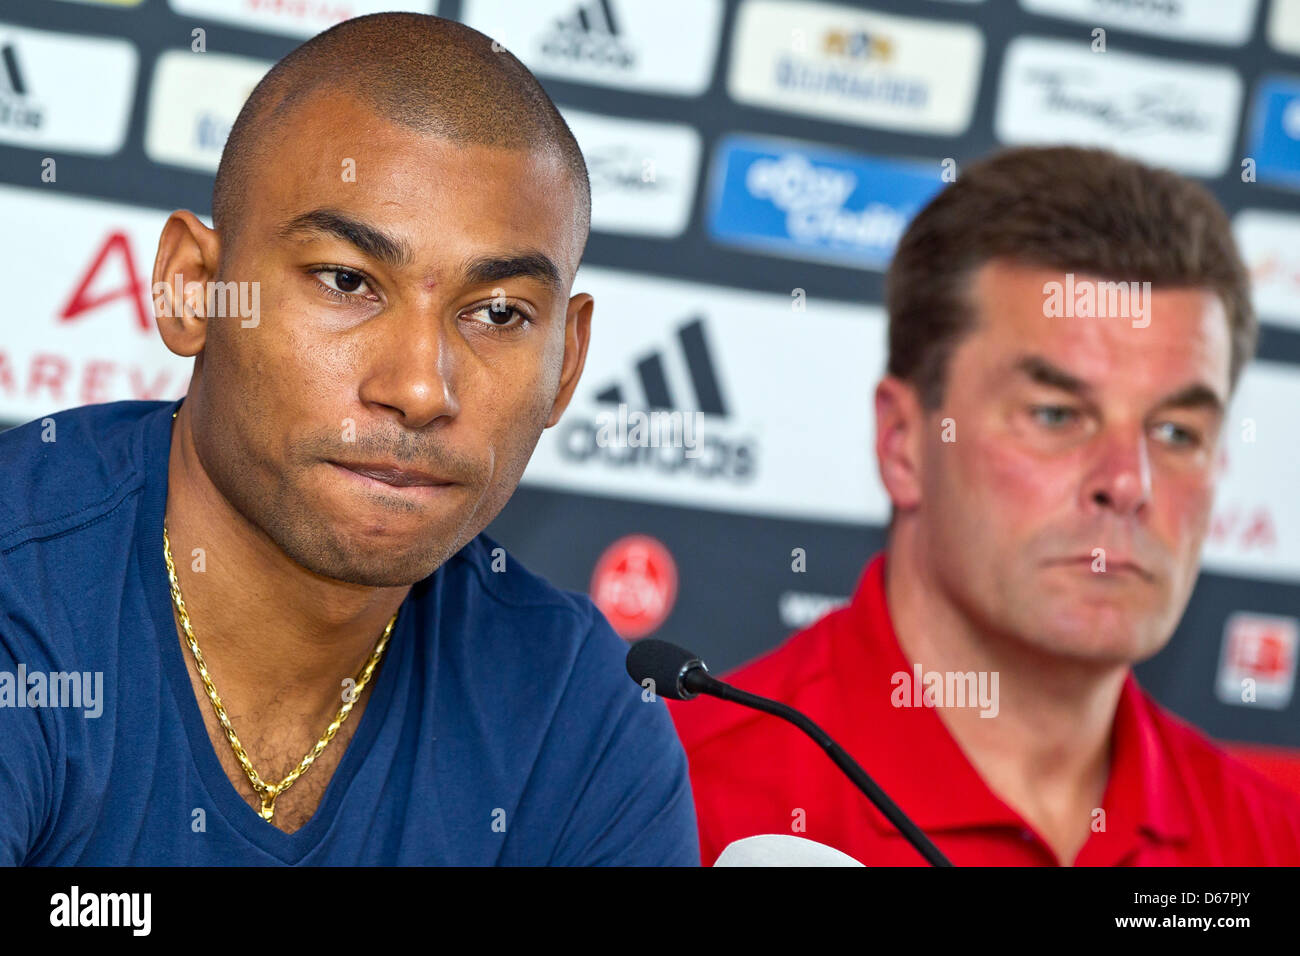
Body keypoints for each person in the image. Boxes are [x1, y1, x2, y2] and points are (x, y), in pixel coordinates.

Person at [0, 13, 697, 865]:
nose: (417, 388)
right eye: (347, 280)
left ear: (566, 364)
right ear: (195, 290)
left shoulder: (574, 711)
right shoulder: (24, 596)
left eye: (499, 313)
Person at [669, 145, 1300, 866]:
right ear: (904, 443)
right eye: (1058, 415)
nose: (1129, 483)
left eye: (1175, 431)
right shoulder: (677, 804)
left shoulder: (1273, 842)